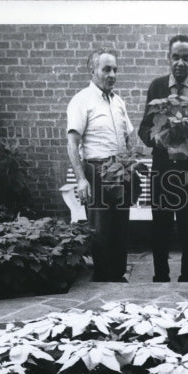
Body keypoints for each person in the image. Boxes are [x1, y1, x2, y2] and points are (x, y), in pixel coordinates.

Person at [138, 34, 188, 283]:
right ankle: (160, 276)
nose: (180, 62)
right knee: (160, 226)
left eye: (186, 57)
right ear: (168, 58)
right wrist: (157, 140)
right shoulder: (157, 87)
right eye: (176, 57)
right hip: (163, 169)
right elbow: (144, 129)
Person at [67, 48, 136, 282]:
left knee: (120, 227)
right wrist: (81, 179)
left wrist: (129, 163)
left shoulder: (118, 102)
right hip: (96, 172)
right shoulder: (81, 100)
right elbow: (72, 142)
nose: (112, 74)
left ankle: (118, 275)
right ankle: (104, 279)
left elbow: (130, 134)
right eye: (106, 69)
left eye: (115, 69)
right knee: (101, 230)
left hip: (120, 172)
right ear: (93, 70)